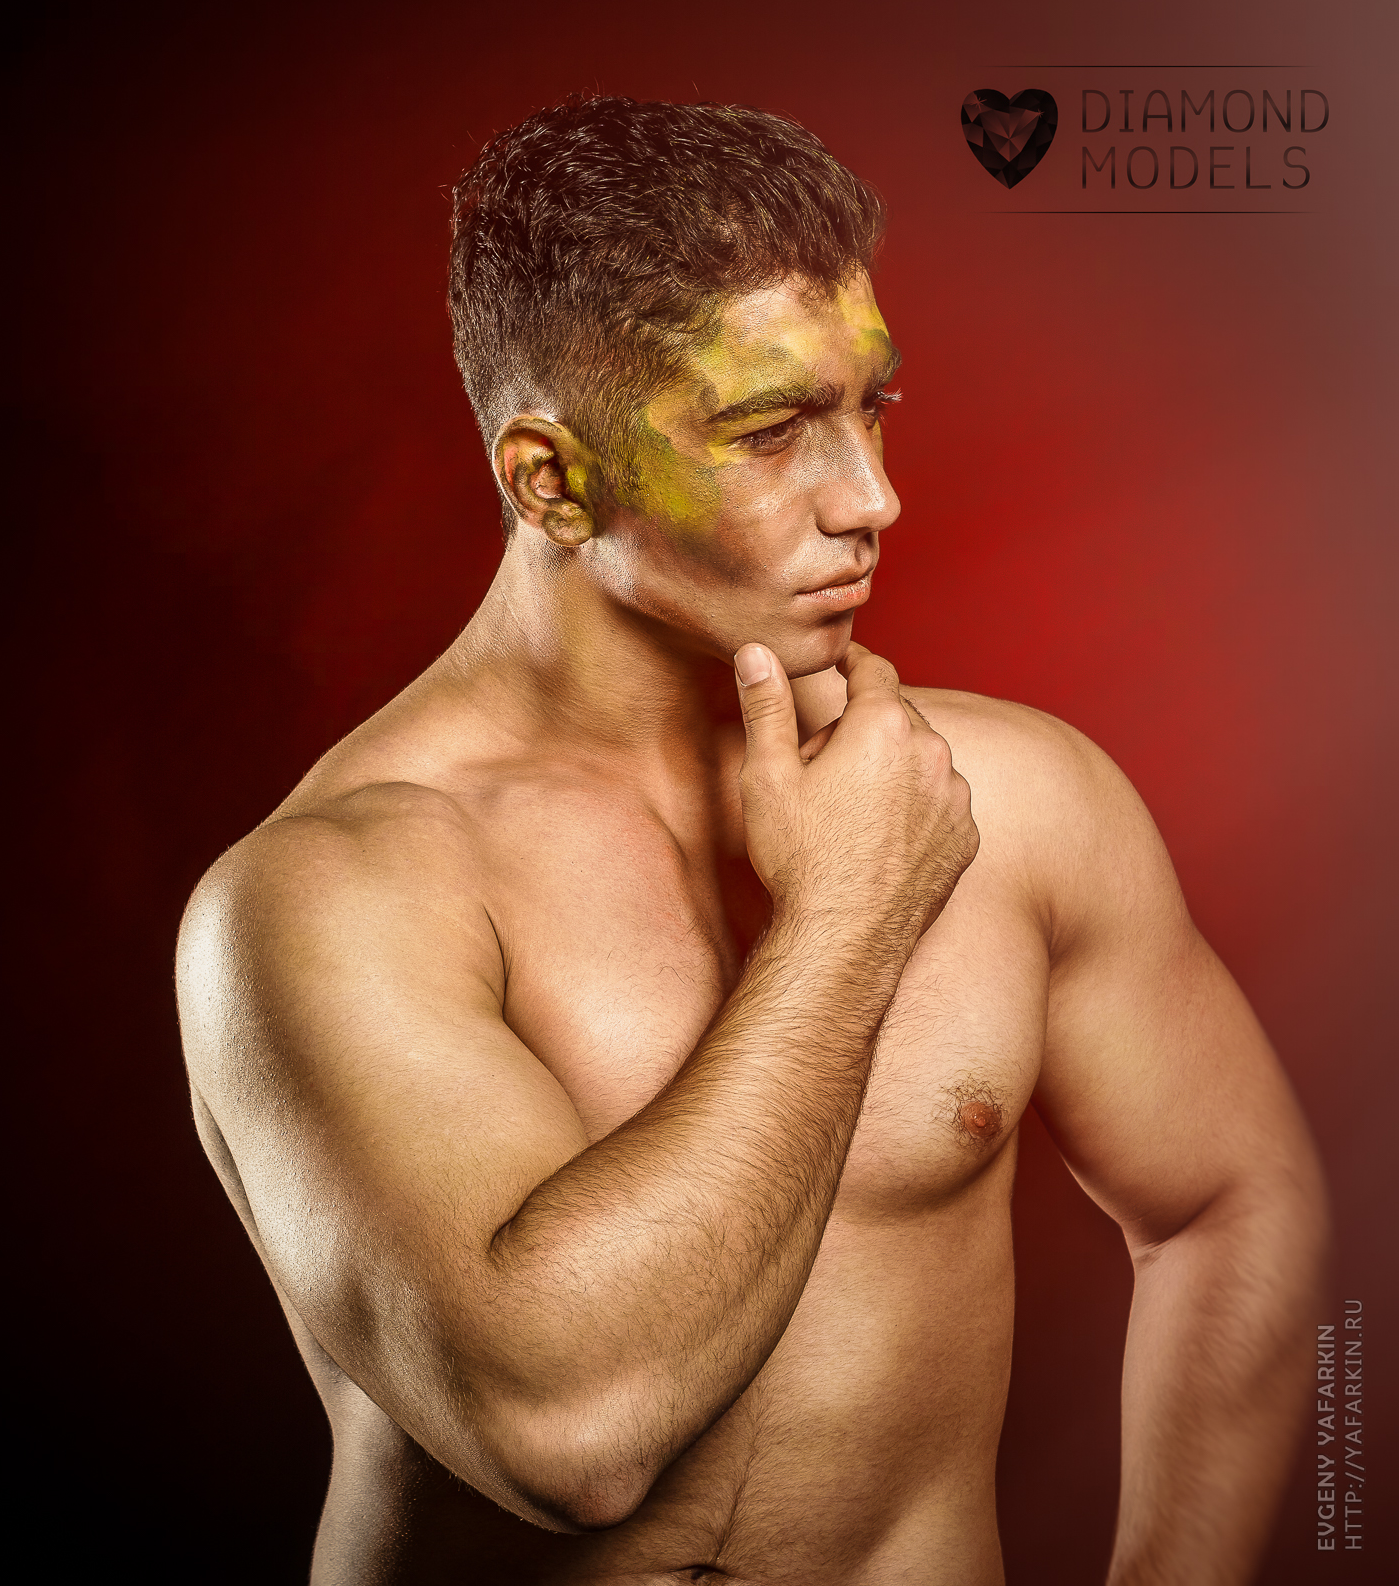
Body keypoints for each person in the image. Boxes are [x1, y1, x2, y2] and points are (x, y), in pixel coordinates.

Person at [176, 96, 1327, 1585]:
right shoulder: (326, 893)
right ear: (550, 479)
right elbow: (569, 1437)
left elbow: (1232, 1204)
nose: (873, 498)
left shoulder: (1019, 797)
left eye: (872, 407)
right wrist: (850, 911)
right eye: (770, 432)